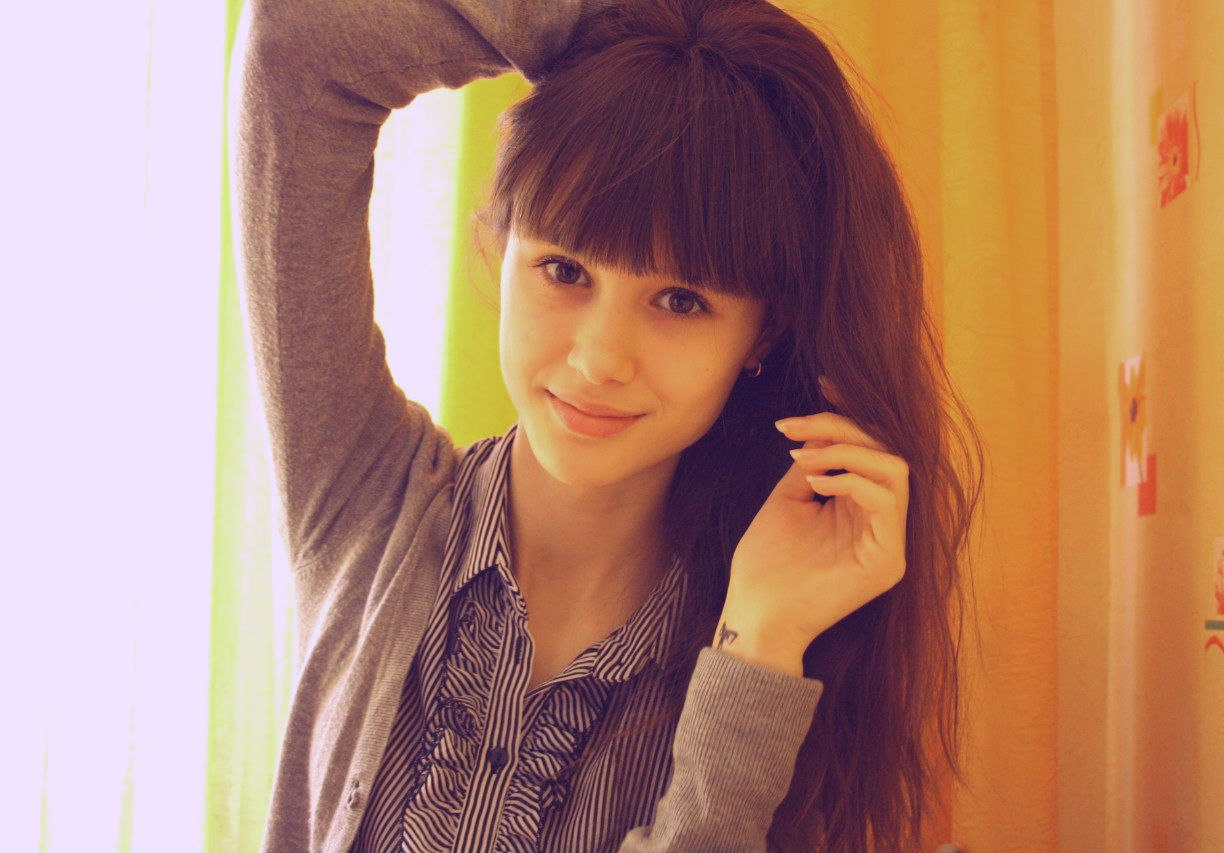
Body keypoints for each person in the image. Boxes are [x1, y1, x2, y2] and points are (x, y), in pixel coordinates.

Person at [230, 0, 984, 850]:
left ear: (761, 336)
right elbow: (294, 44)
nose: (598, 359)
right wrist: (643, 32)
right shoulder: (364, 502)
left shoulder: (780, 645)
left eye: (680, 300)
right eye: (564, 270)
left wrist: (762, 644)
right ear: (503, 250)